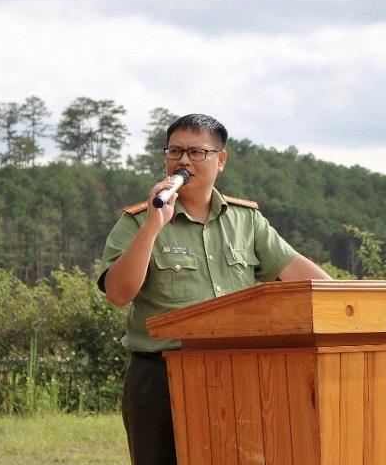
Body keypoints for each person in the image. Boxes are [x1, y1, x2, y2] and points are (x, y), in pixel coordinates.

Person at [97, 113, 331, 465]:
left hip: (238, 373)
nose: (184, 161)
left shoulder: (246, 220)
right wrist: (152, 227)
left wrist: (343, 300)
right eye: (174, 151)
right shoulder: (138, 221)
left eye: (196, 152)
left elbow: (300, 273)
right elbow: (118, 293)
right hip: (160, 377)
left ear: (220, 160)